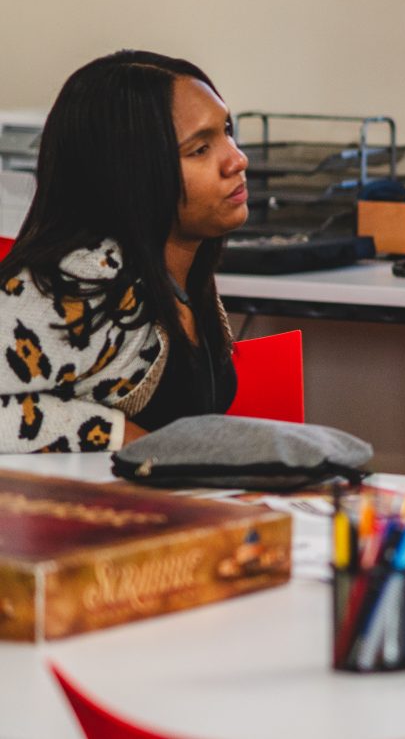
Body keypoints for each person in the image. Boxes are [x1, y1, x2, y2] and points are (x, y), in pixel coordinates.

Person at [0, 51, 250, 453]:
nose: (238, 159)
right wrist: (114, 434)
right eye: (200, 149)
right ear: (131, 171)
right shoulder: (81, 282)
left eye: (226, 130)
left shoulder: (179, 267)